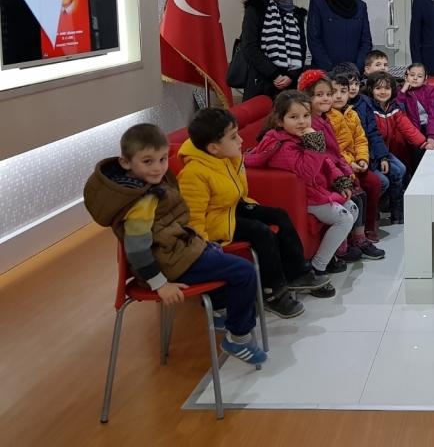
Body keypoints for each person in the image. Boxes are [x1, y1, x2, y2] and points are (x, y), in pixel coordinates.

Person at [84, 124, 266, 365]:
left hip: (174, 254)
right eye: (147, 161)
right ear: (126, 163)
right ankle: (239, 338)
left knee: (214, 250)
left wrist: (190, 234)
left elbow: (165, 226)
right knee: (244, 271)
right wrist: (160, 285)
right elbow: (137, 250)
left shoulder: (145, 186)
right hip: (167, 267)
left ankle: (220, 311)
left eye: (162, 159)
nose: (158, 167)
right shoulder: (140, 203)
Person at [178, 108, 332, 318]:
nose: (240, 140)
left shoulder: (225, 157)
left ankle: (297, 273)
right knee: (261, 232)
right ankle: (273, 293)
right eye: (233, 137)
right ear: (213, 147)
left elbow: (238, 193)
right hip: (215, 223)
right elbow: (193, 218)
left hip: (231, 209)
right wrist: (203, 249)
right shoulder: (193, 173)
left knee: (279, 215)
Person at [245, 91, 361, 279]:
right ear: (280, 121)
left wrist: (340, 181)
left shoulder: (299, 136)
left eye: (306, 115)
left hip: (315, 190)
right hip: (304, 198)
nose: (302, 122)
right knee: (345, 218)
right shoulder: (282, 145)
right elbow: (308, 170)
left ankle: (334, 253)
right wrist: (315, 142)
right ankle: (318, 266)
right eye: (294, 117)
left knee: (353, 207)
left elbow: (326, 161)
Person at [299, 70, 385, 257]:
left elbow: (354, 142)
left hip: (342, 167)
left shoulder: (333, 116)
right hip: (327, 175)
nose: (328, 98)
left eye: (328, 94)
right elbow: (325, 157)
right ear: (307, 98)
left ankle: (361, 237)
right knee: (356, 196)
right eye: (319, 95)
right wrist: (345, 172)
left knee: (365, 192)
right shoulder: (312, 123)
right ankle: (345, 246)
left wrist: (359, 160)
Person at [367, 71, 434, 224]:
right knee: (396, 172)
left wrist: (424, 143)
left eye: (387, 88)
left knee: (402, 169)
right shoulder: (369, 108)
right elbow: (371, 136)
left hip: (384, 151)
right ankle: (392, 207)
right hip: (372, 152)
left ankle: (396, 207)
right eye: (378, 88)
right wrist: (381, 157)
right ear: (371, 90)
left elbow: (407, 127)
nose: (383, 92)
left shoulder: (393, 107)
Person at [325, 70, 382, 247]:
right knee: (358, 188)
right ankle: (351, 236)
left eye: (343, 91)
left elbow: (360, 139)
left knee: (375, 182)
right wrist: (350, 163)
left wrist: (362, 159)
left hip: (354, 162)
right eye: (333, 92)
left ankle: (368, 228)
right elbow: (331, 149)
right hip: (339, 166)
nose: (339, 96)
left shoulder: (352, 113)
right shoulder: (325, 117)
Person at [239, 0, 307, 102]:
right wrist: (274, 75)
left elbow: (301, 48)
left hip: (289, 85)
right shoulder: (257, 9)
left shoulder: (296, 14)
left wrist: (292, 76)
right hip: (261, 81)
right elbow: (249, 46)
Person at [307, 0, 373, 72]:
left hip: (354, 75)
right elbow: (314, 41)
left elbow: (366, 41)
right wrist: (330, 71)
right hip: (325, 73)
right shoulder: (318, 4)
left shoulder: (360, 6)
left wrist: (356, 68)